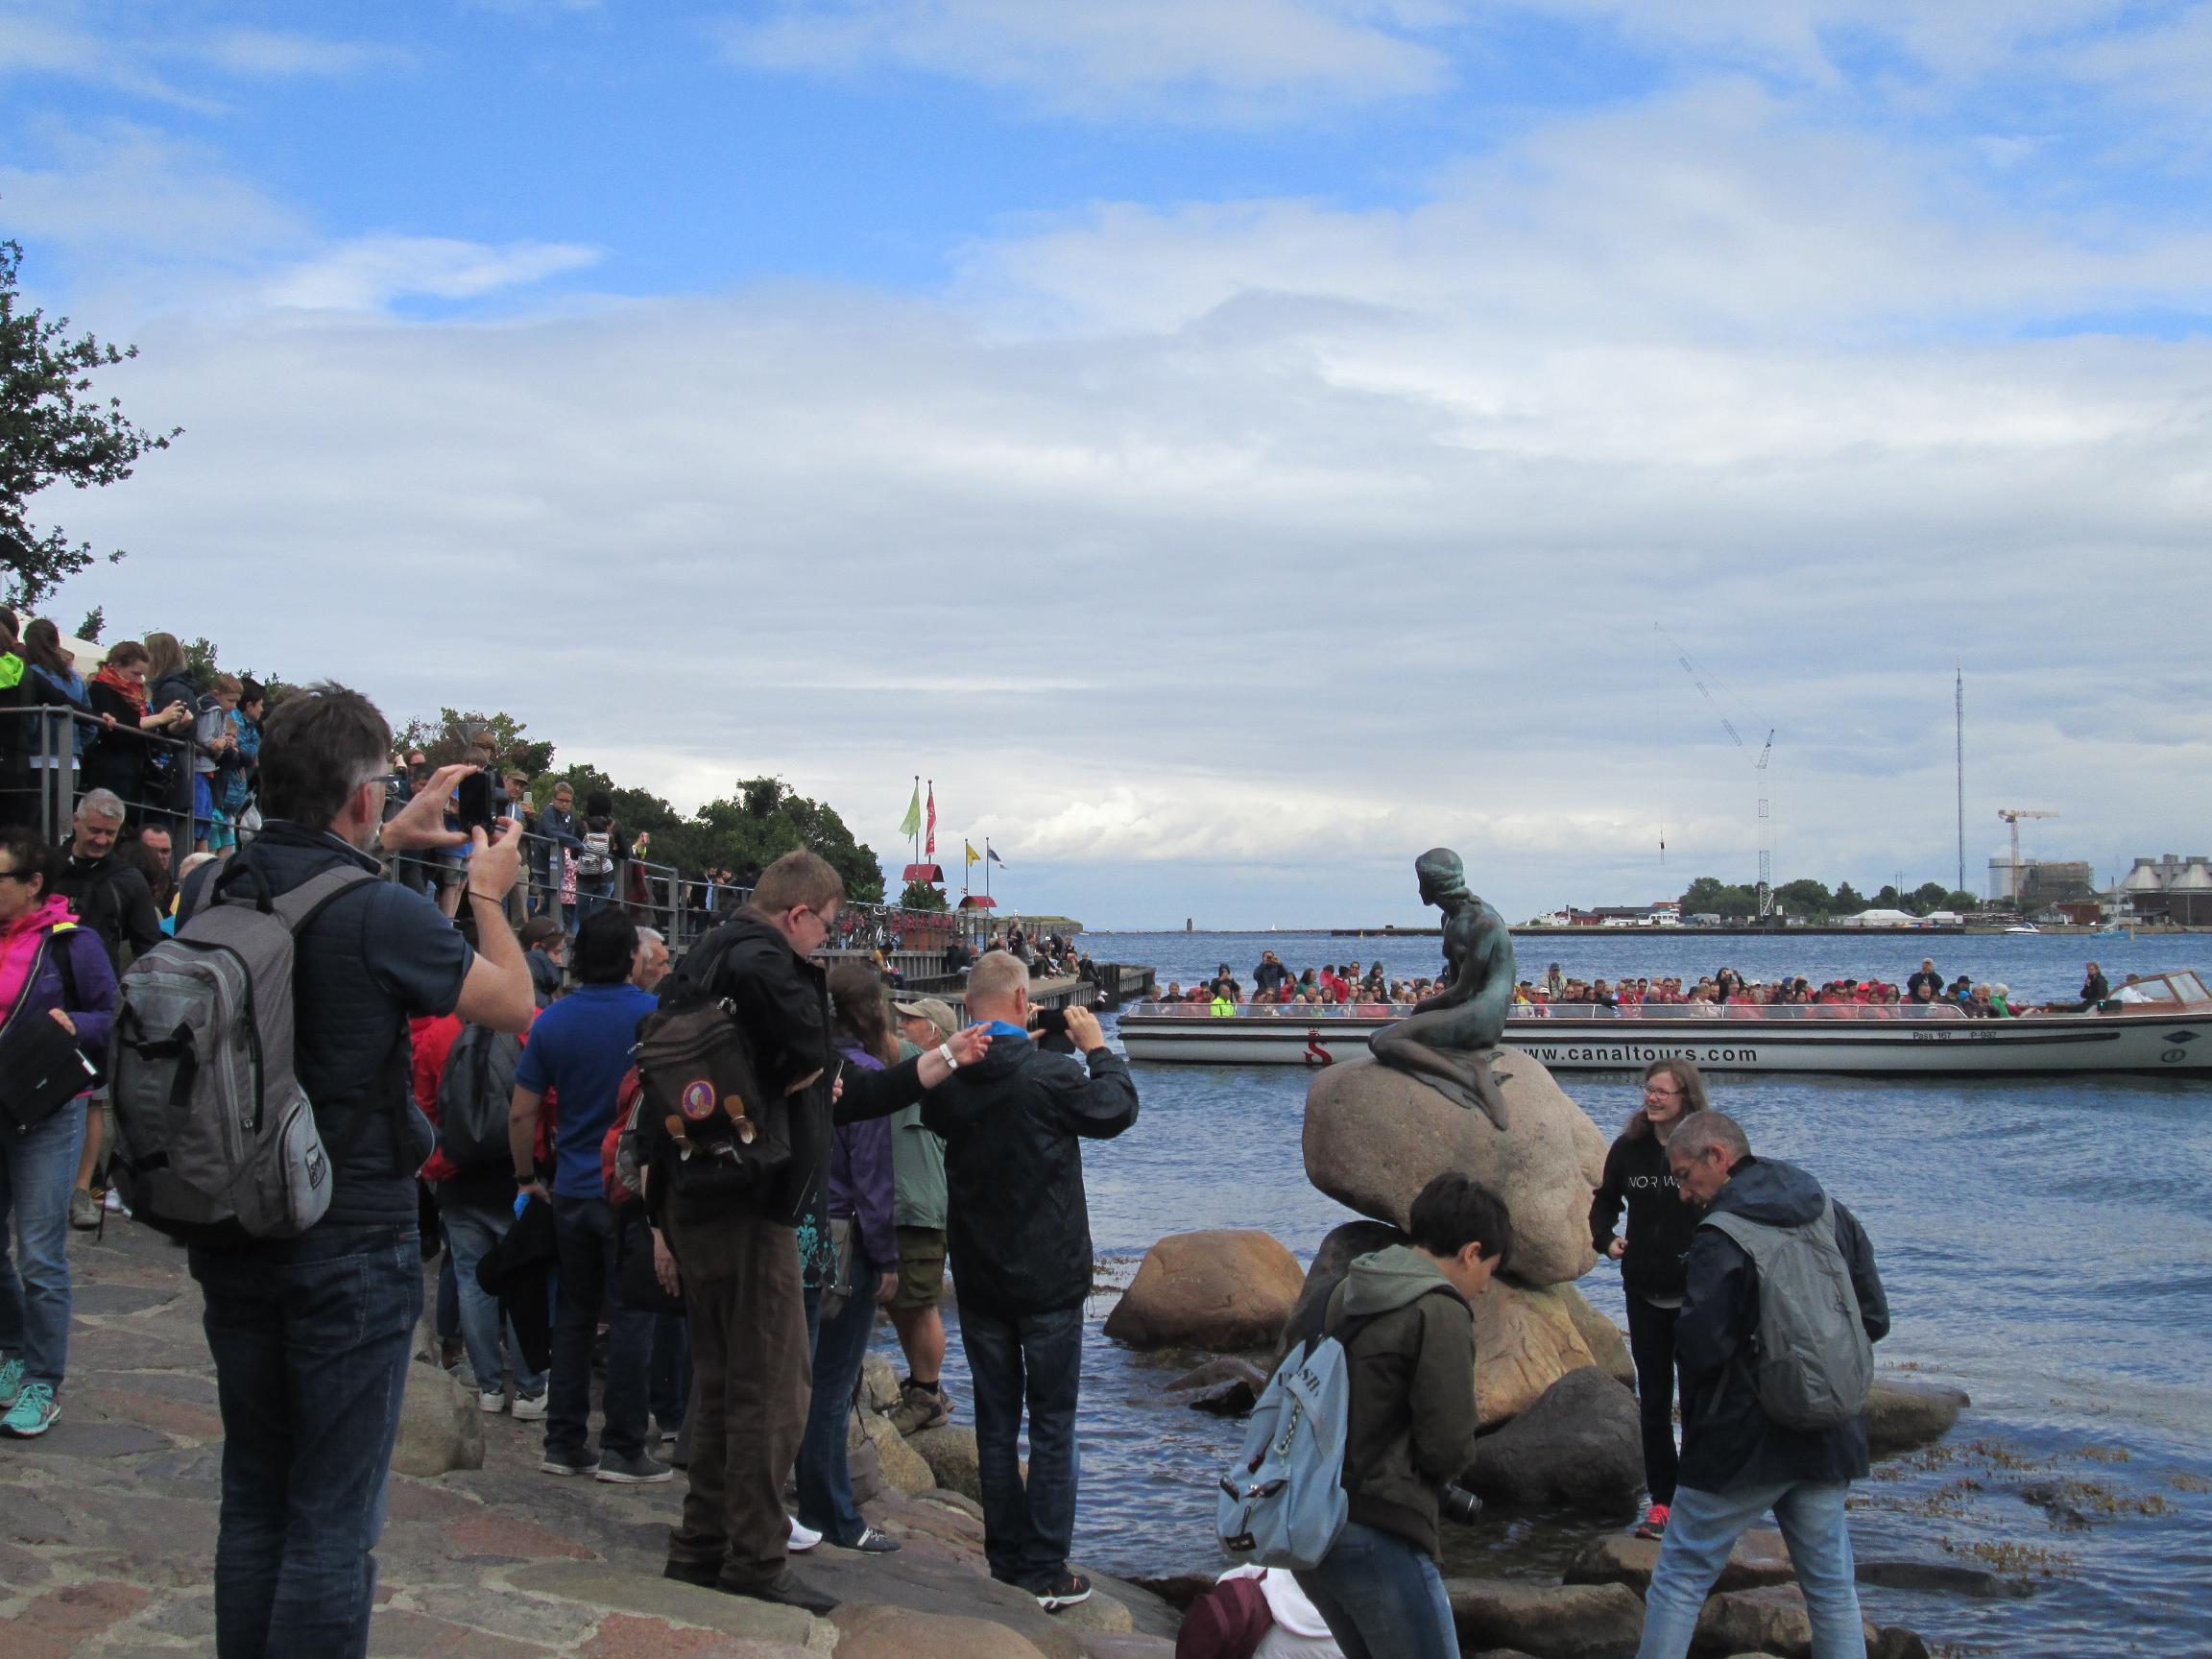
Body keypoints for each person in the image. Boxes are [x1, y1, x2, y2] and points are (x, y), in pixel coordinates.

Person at [182, 686, 536, 1659]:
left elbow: (301, 900)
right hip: (348, 1233)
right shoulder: (384, 914)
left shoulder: (212, 885)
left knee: (255, 1499)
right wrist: (490, 890)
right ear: (360, 801)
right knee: (332, 1524)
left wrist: (388, 838)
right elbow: (511, 1003)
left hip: (231, 1221)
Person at [654, 852, 985, 1611]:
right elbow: (810, 1064)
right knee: (773, 1387)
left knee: (719, 1380)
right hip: (755, 1205)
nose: (825, 944)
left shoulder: (699, 955)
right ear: (798, 914)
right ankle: (755, 1561)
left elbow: (833, 1095)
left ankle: (701, 1546)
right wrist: (806, 1070)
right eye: (827, 927)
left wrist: (933, 1061)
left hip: (698, 1192)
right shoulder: (768, 963)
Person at [922, 950, 1138, 1611]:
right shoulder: (1052, 1076)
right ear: (1022, 1001)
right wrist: (1098, 1048)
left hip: (982, 1276)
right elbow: (1115, 1109)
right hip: (1048, 1277)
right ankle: (1046, 1567)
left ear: (969, 1006)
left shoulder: (951, 1086)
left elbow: (946, 1106)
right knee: (1051, 1423)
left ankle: (1004, 1559)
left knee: (995, 1424)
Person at [1633, 1113, 1889, 1659]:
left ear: (1718, 1158)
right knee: (1831, 1590)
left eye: (1684, 1176)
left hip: (1741, 1444)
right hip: (1829, 1431)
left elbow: (1702, 1345)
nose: (1682, 1192)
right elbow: (1873, 1316)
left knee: (1679, 1579)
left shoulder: (1721, 1231)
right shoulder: (1826, 1209)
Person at [1290, 1171, 1510, 1659]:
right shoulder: (1439, 1311)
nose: (1486, 1287)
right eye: (1490, 1270)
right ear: (1471, 1252)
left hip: (1311, 1528)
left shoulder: (1340, 1290)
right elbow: (1448, 1444)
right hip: (1381, 1531)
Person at [506, 906, 668, 1484]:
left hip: (570, 1190)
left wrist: (528, 1176)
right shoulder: (654, 1017)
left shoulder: (551, 1021)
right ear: (632, 958)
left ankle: (564, 1440)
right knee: (632, 1317)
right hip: (629, 1193)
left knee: (573, 1316)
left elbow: (523, 1109)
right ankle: (624, 1446)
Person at [0, 828, 119, 1436]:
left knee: (40, 1253)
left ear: (31, 885)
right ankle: (12, 1350)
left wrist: (74, 1022)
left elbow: (112, 1013)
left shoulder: (72, 944)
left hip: (48, 1110)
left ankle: (42, 1382)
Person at [794, 962, 906, 1552]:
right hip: (848, 1237)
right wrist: (887, 1258)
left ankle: (803, 1498)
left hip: (800, 1228)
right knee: (834, 1382)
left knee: (799, 1373)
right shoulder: (863, 1074)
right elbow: (872, 1177)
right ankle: (835, 1515)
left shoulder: (805, 1066)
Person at [1589, 1059, 1709, 1540]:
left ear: (1686, 1098)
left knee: (1700, 1400)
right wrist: (1605, 1239)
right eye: (1648, 1089)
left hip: (1698, 1296)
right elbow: (1605, 1201)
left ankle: (1699, 1500)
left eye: (1663, 1091)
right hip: (1643, 1291)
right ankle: (1663, 1502)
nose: (1652, 1098)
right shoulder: (1629, 1148)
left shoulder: (1705, 1148)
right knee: (1655, 1402)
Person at [54, 789, 165, 1230]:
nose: (100, 839)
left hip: (97, 1003)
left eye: (110, 833)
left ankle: (81, 1190)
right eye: (95, 830)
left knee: (94, 1098)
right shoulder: (47, 866)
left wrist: (135, 998)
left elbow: (148, 946)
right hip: (39, 994)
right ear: (76, 822)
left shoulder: (128, 880)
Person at [884, 995, 957, 1436]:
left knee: (920, 1305)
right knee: (901, 1302)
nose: (899, 1025)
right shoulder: (918, 1070)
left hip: (918, 1207)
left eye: (909, 1020)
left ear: (932, 1032)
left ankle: (927, 1393)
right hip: (903, 1204)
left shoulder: (927, 1063)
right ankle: (923, 1385)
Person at [81, 640, 194, 823]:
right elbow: (120, 724)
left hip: (135, 769)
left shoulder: (137, 694)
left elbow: (155, 727)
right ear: (117, 665)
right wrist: (161, 717)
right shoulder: (100, 687)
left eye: (142, 675)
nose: (139, 680)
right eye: (135, 673)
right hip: (110, 768)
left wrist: (177, 723)